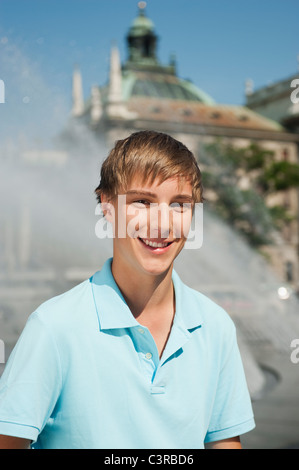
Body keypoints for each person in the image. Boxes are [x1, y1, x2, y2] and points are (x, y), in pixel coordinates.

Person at [0, 130, 255, 449]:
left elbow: (225, 443)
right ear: (107, 207)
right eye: (142, 202)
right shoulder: (54, 328)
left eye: (179, 204)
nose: (162, 223)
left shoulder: (215, 326)